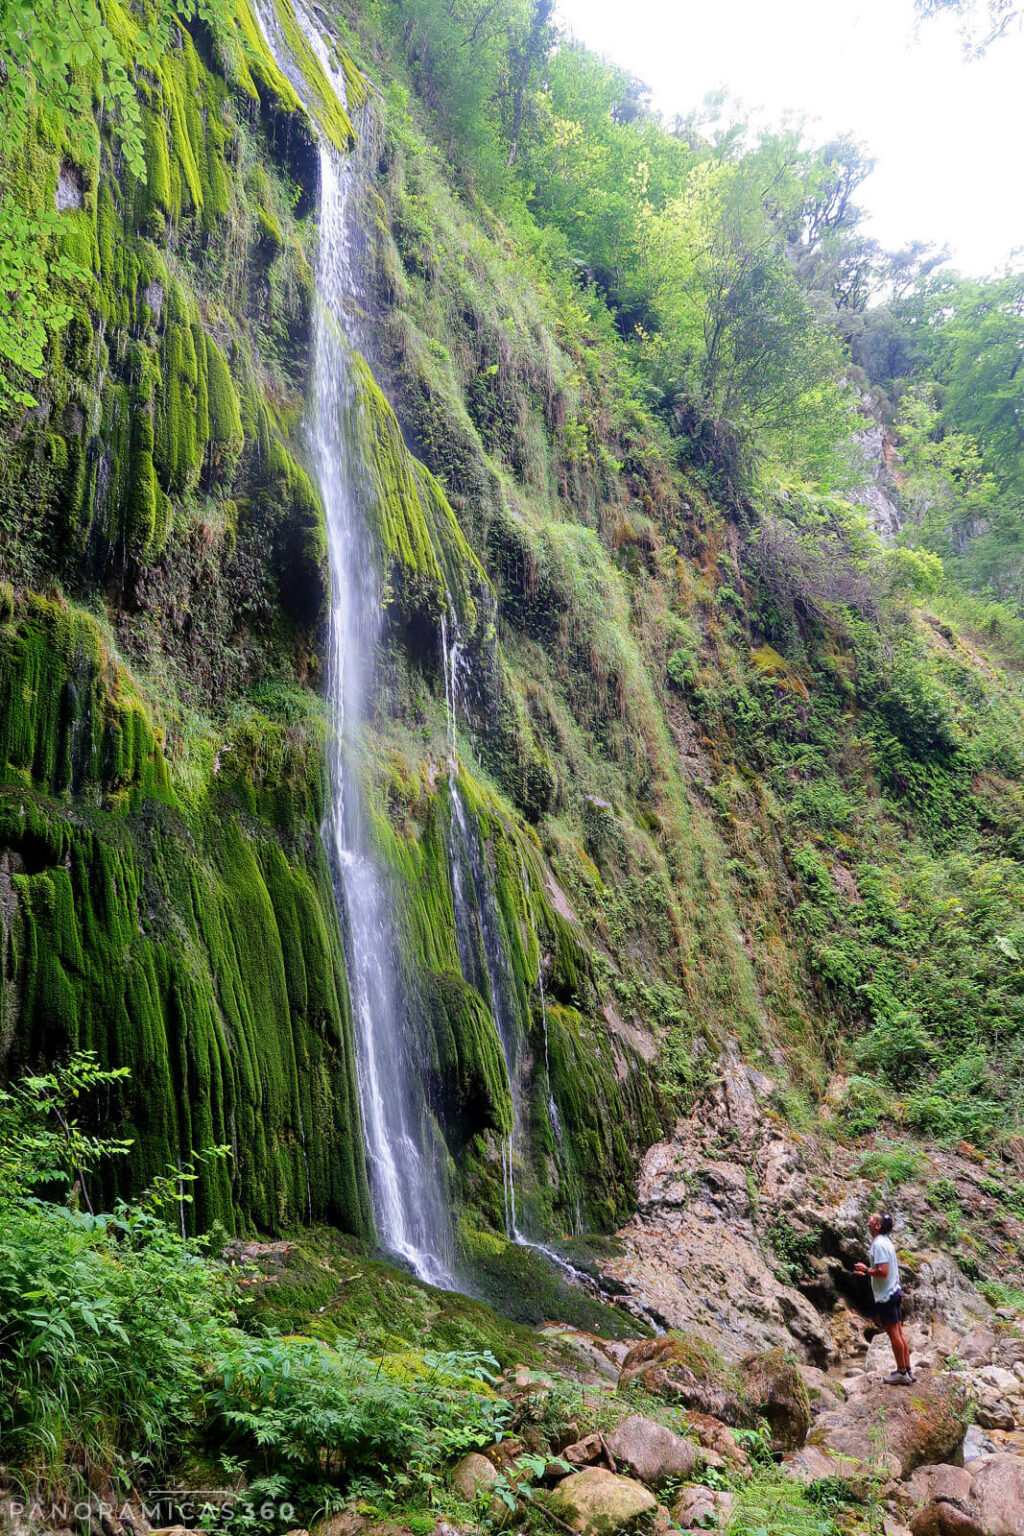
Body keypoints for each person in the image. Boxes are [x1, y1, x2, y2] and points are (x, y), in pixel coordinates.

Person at [855, 1211, 913, 1384]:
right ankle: (908, 1370)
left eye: (872, 1218)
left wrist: (866, 1270)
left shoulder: (879, 1244)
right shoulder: (885, 1241)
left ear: (877, 1226)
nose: (869, 1219)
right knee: (899, 1332)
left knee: (893, 1332)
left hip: (887, 1295)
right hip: (894, 1291)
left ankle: (902, 1373)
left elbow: (882, 1271)